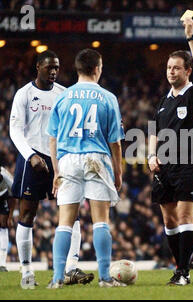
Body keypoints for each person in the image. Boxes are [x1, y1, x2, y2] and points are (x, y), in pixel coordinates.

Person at [9, 50, 93, 289]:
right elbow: (15, 130)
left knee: (71, 214)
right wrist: (31, 155)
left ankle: (70, 268)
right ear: (38, 67)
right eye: (49, 67)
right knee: (27, 215)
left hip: (61, 160)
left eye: (56, 67)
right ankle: (26, 271)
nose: (54, 71)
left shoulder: (65, 94)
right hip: (31, 159)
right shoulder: (24, 94)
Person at [47, 48, 125, 289]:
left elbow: (53, 138)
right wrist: (118, 172)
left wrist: (56, 170)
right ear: (97, 69)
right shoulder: (108, 98)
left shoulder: (62, 97)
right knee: (100, 220)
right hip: (96, 159)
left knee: (65, 222)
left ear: (78, 69)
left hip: (68, 159)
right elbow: (115, 142)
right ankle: (104, 277)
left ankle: (57, 278)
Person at [148, 17, 193, 286]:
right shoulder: (163, 101)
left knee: (185, 217)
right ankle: (180, 267)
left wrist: (190, 37)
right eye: (169, 68)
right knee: (169, 220)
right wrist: (151, 155)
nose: (171, 72)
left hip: (187, 164)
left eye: (176, 68)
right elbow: (153, 132)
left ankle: (183, 272)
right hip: (164, 168)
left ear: (187, 71)